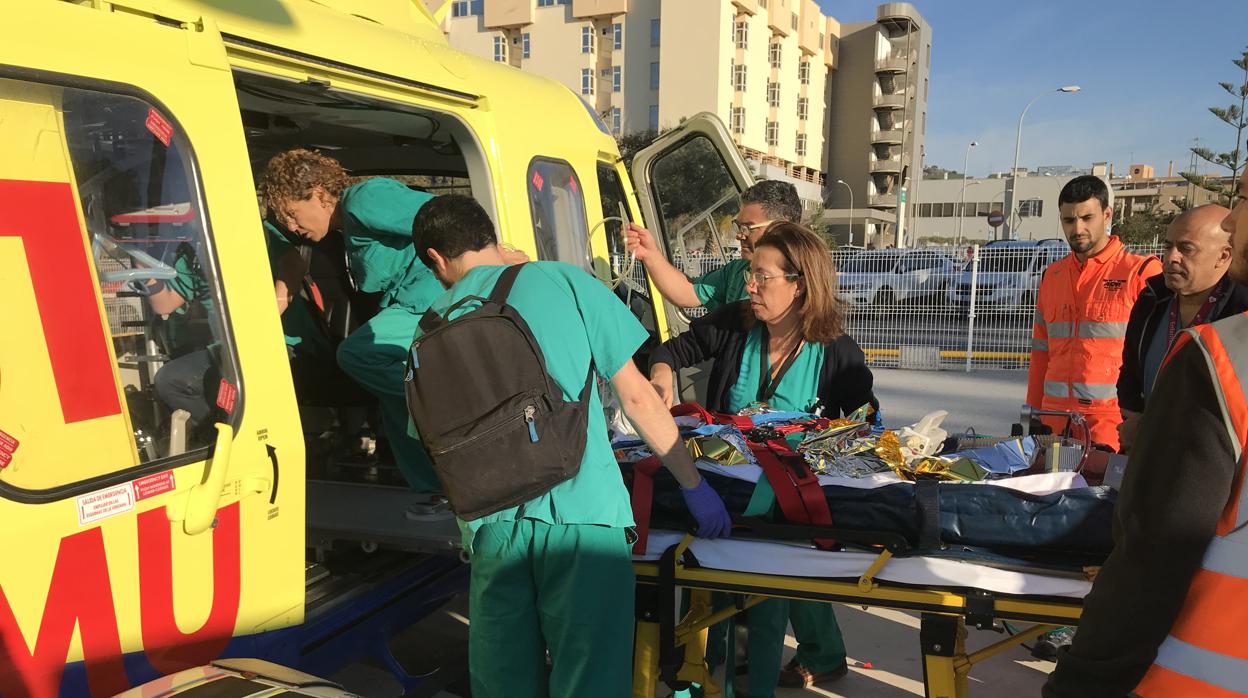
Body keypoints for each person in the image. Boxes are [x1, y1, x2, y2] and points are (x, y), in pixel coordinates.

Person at [408, 195, 730, 698]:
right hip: (583, 518)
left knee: (503, 682)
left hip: (491, 530)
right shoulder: (562, 281)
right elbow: (639, 397)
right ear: (490, 235)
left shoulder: (428, 324)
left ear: (434, 258)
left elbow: (432, 442)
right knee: (590, 678)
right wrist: (693, 485)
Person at [649, 222, 877, 697]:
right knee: (705, 613)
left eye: (763, 276)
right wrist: (661, 377)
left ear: (800, 284)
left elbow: (864, 430)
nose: (750, 285)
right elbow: (670, 350)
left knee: (764, 614)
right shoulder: (736, 324)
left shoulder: (837, 354)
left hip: (783, 516)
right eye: (751, 274)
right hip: (716, 496)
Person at [1042, 177, 1248, 697]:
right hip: (1088, 432)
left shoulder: (1220, 345)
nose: (1231, 217)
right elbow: (1114, 363)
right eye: (1169, 246)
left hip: (1201, 660)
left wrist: (1081, 679)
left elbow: (1159, 546)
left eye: (1242, 200)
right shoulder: (1143, 295)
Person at [258, 149, 527, 490]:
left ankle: (454, 403)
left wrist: (496, 253)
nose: (294, 228)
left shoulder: (364, 199)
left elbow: (444, 219)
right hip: (409, 306)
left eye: (295, 216)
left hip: (432, 300)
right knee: (394, 405)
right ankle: (435, 489)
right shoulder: (346, 231)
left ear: (318, 194)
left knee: (357, 354)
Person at [1026, 175, 1161, 451]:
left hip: (1111, 423)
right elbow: (1041, 352)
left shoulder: (1141, 273)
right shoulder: (1052, 276)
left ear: (1107, 214)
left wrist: (1144, 420)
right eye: (1069, 220)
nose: (1078, 228)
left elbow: (1157, 361)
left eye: (1087, 217)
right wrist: (1033, 413)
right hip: (1054, 420)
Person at [1116, 204, 1248, 453]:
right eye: (1168, 246)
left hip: (1210, 462)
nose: (1171, 257)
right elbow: (1130, 372)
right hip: (1147, 454)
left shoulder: (1241, 313)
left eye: (1186, 249)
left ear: (1223, 255)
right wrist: (1133, 419)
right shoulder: (1151, 300)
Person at [625, 180, 804, 310]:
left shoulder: (810, 286)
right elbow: (687, 292)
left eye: (748, 227)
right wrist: (650, 254)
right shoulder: (736, 272)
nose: (740, 235)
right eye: (738, 226)